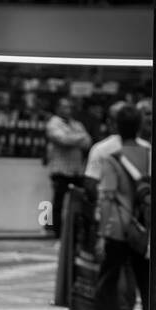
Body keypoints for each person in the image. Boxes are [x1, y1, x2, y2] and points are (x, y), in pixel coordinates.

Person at [84, 104, 150, 310]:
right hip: (144, 231)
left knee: (107, 284)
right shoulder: (151, 153)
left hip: (117, 230)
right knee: (148, 288)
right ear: (141, 126)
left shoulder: (110, 156)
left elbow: (107, 198)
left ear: (115, 126)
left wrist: (101, 234)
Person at [44, 99, 91, 239]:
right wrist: (78, 138)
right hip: (60, 170)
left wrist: (74, 139)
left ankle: (74, 232)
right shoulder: (53, 123)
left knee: (79, 201)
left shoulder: (77, 124)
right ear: (58, 108)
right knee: (57, 201)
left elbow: (88, 141)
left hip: (76, 170)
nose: (67, 110)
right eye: (64, 107)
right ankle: (55, 231)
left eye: (69, 107)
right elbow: (62, 139)